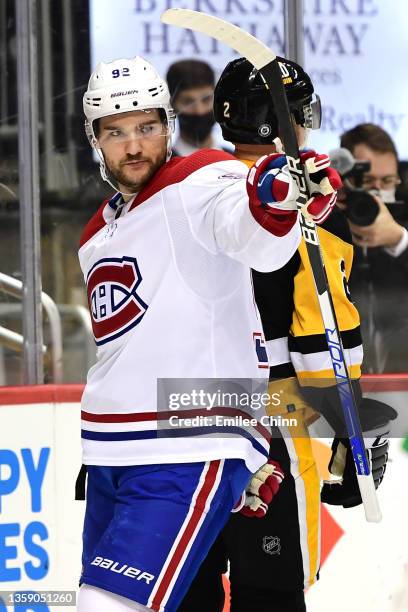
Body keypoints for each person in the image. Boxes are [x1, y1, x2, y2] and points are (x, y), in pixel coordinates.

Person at [76, 55, 338, 612]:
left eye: (147, 126)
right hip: (113, 457)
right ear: (95, 140)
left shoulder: (201, 177)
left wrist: (276, 200)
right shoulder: (97, 232)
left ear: (168, 125)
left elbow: (253, 236)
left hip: (181, 454)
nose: (135, 145)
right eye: (116, 132)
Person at [179, 58, 397, 612]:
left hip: (184, 418)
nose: (305, 128)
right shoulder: (310, 208)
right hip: (273, 421)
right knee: (268, 596)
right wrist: (350, 430)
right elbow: (321, 335)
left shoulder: (185, 196)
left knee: (188, 590)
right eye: (300, 115)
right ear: (278, 123)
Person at [339, 123, 408, 372]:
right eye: (367, 181)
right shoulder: (323, 222)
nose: (378, 192)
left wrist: (398, 240)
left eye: (387, 181)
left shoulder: (404, 219)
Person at [166, 59, 221, 155]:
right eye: (188, 102)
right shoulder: (162, 168)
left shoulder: (239, 163)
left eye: (206, 99)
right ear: (172, 105)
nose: (200, 110)